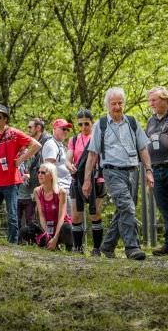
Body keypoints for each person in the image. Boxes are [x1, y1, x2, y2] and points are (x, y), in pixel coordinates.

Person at [82, 87, 153, 260]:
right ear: (107, 105)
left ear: (124, 103)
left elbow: (143, 148)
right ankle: (132, 247)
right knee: (128, 207)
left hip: (132, 171)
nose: (117, 107)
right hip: (112, 172)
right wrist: (87, 180)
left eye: (120, 103)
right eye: (113, 103)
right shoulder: (101, 124)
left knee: (123, 210)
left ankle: (107, 247)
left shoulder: (132, 122)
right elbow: (92, 154)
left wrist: (148, 171)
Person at [0, 104, 41, 244]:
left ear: (5, 119)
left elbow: (36, 145)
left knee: (13, 215)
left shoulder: (14, 133)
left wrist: (21, 159)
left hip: (11, 182)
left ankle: (12, 244)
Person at [66, 109, 106, 255]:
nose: (83, 127)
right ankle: (78, 247)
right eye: (80, 124)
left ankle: (96, 248)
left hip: (97, 179)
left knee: (94, 214)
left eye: (86, 124)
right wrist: (69, 165)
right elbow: (68, 158)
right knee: (76, 214)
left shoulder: (98, 138)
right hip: (77, 179)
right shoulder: (74, 140)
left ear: (92, 122)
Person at [26, 162, 73, 251]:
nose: (40, 175)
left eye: (43, 173)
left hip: (60, 228)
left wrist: (55, 238)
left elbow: (61, 218)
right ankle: (45, 244)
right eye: (39, 172)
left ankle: (69, 249)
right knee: (25, 230)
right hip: (47, 227)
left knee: (67, 227)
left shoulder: (61, 192)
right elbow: (41, 215)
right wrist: (47, 235)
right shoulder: (37, 191)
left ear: (51, 175)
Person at [18, 118, 51, 234]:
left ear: (38, 128)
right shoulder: (29, 145)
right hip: (30, 189)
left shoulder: (47, 142)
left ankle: (46, 238)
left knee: (42, 216)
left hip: (43, 186)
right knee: (32, 218)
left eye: (30, 127)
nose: (27, 130)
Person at [146, 86, 168, 256]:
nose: (151, 103)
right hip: (156, 169)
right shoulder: (151, 121)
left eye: (154, 100)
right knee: (164, 208)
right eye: (150, 100)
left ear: (164, 99)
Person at [42, 118, 76, 216]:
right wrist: (53, 191)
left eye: (67, 130)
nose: (66, 132)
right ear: (55, 129)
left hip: (66, 188)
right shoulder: (51, 144)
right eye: (63, 129)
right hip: (60, 189)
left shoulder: (60, 145)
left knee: (71, 220)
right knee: (67, 222)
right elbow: (47, 169)